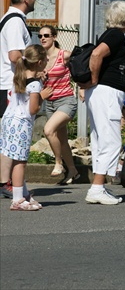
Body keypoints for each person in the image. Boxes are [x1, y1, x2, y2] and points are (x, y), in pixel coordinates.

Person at [78, 1, 125, 205]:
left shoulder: (114, 37)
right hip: (107, 92)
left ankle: (99, 186)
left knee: (102, 139)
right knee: (111, 141)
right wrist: (93, 79)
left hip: (106, 92)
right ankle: (97, 188)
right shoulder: (115, 35)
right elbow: (96, 54)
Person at [0, 0, 42, 198]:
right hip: (10, 84)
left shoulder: (10, 19)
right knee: (12, 138)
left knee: (7, 136)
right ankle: (6, 183)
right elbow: (15, 56)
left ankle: (7, 182)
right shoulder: (15, 22)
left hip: (8, 83)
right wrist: (32, 75)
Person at [0, 44, 52, 210]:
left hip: (9, 121)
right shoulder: (35, 85)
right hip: (21, 124)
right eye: (45, 60)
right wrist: (42, 96)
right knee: (20, 162)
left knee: (15, 159)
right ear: (39, 62)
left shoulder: (19, 77)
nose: (47, 61)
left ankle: (24, 195)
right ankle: (18, 200)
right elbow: (33, 109)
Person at [38, 25, 80, 184]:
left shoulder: (65, 55)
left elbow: (81, 65)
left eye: (47, 35)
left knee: (48, 130)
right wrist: (38, 74)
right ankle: (73, 171)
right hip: (50, 103)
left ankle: (58, 163)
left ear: (54, 37)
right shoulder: (40, 59)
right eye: (41, 36)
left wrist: (83, 87)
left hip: (66, 101)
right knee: (62, 140)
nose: (43, 38)